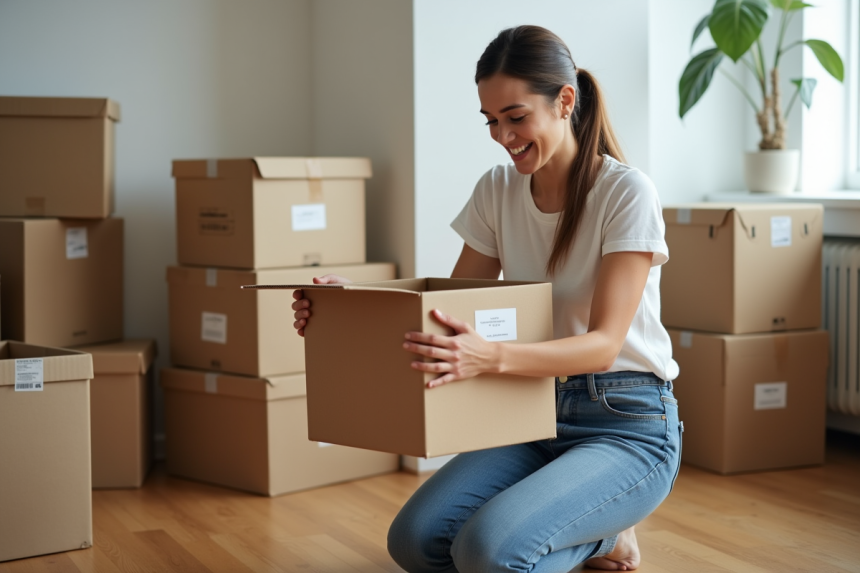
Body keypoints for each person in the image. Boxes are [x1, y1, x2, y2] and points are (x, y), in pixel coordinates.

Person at [292, 25, 681, 573]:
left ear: (564, 101)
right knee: (415, 541)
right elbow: (446, 313)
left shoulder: (626, 192)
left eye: (516, 117)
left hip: (625, 420)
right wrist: (342, 310)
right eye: (491, 121)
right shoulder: (496, 190)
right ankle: (593, 533)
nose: (502, 135)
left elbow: (601, 346)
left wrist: (491, 357)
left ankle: (605, 534)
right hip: (526, 411)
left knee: (489, 551)